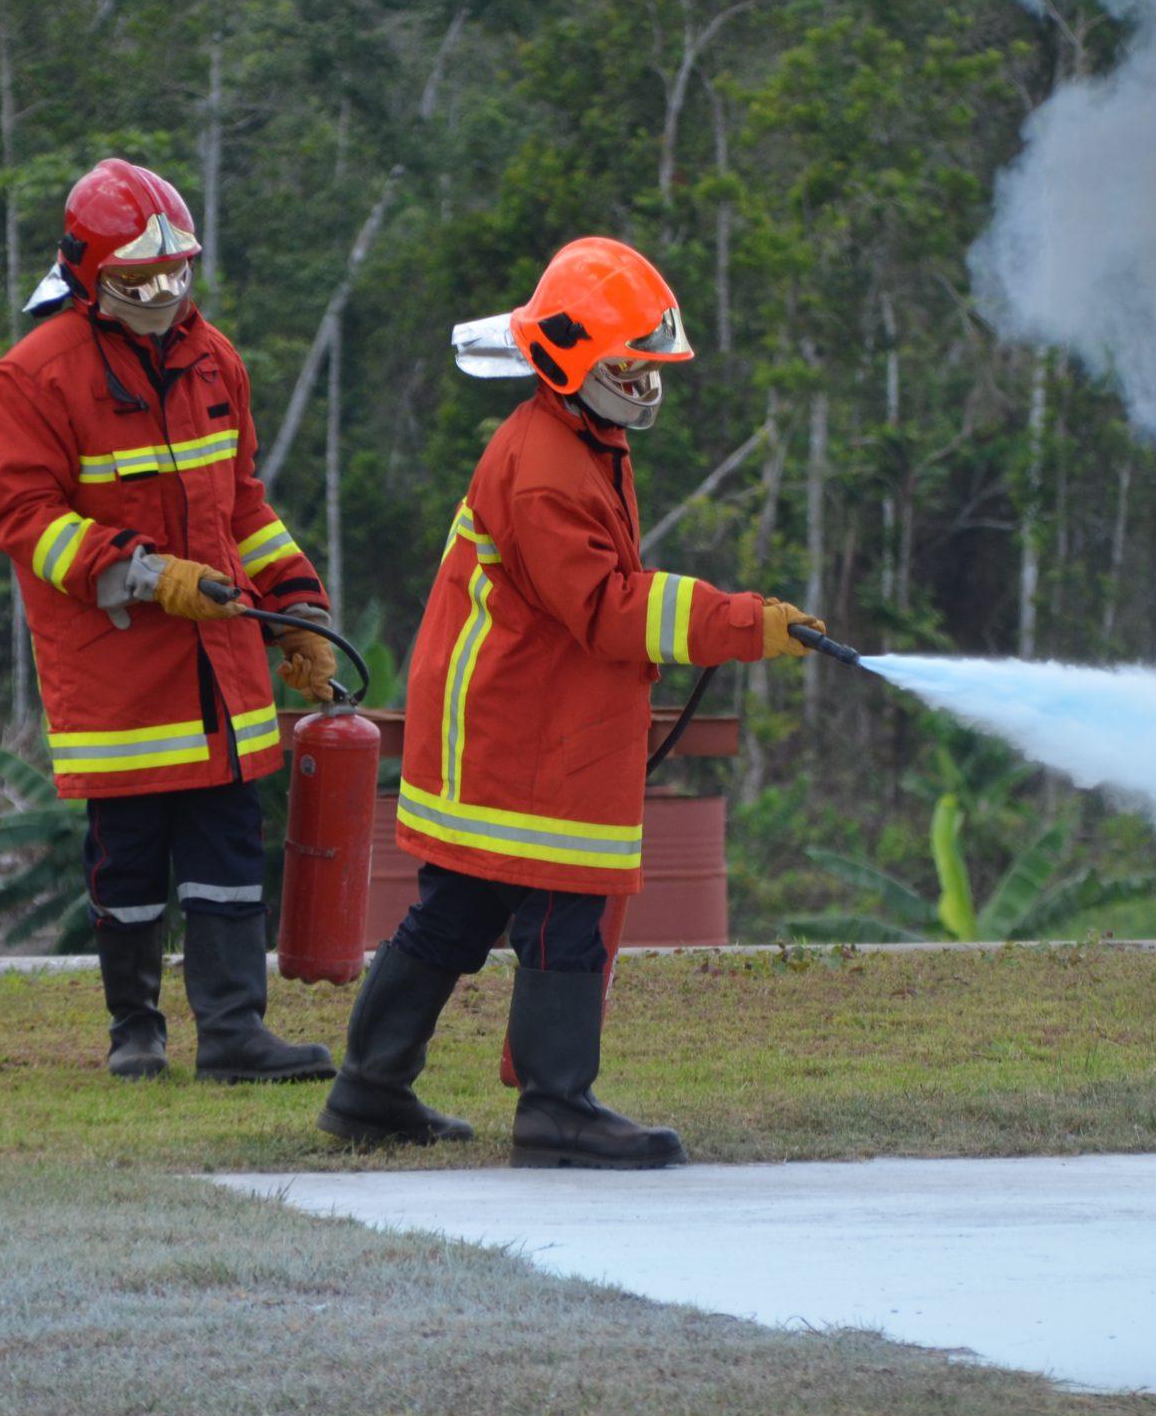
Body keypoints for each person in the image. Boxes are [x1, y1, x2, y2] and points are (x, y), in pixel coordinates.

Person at [317, 237, 822, 1167]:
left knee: (460, 909)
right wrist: (740, 623)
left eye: (647, 367)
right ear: (565, 359)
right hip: (518, 725)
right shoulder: (548, 464)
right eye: (627, 367)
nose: (643, 385)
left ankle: (369, 1090)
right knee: (564, 905)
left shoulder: (584, 436)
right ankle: (557, 1108)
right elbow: (604, 606)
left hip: (512, 713)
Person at [0, 157, 338, 1083]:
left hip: (221, 669)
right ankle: (134, 1030)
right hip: (116, 667)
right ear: (89, 277)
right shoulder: (30, 378)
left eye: (179, 276)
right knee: (128, 864)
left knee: (227, 853)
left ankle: (234, 1034)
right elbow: (25, 520)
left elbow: (242, 509)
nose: (165, 295)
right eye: (141, 281)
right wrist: (139, 575)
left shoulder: (215, 360)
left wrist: (298, 608)